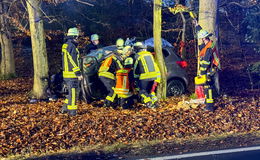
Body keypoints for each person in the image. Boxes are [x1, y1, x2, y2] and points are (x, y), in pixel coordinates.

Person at [195, 22, 220, 112]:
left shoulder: (209, 47)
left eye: (202, 39)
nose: (201, 40)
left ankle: (209, 107)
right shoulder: (208, 44)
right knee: (207, 87)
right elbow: (202, 33)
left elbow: (206, 61)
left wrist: (202, 72)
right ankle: (207, 103)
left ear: (205, 38)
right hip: (210, 69)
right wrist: (197, 26)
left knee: (208, 87)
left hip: (209, 69)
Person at [61, 27, 83, 116]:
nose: (77, 39)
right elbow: (73, 60)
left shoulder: (65, 45)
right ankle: (72, 113)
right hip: (72, 75)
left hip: (66, 74)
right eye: (77, 37)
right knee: (74, 94)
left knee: (70, 93)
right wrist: (78, 73)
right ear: (74, 36)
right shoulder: (72, 46)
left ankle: (64, 109)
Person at [133, 42, 161, 108]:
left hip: (144, 77)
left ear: (137, 49)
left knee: (142, 92)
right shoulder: (149, 54)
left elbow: (135, 68)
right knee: (151, 92)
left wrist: (135, 78)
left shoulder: (137, 56)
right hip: (154, 76)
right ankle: (155, 103)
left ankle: (148, 103)